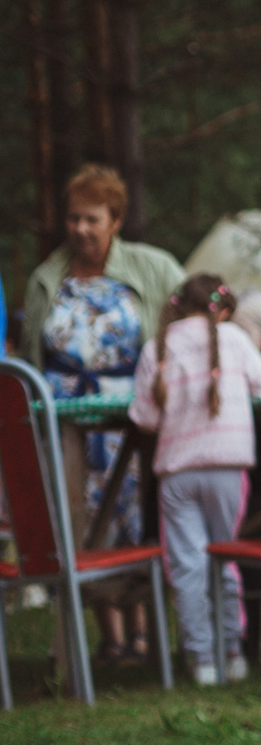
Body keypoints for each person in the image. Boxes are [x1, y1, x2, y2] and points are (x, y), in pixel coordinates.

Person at [22, 164, 186, 669]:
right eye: (73, 219)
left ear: (115, 220)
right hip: (66, 420)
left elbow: (192, 326)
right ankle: (107, 637)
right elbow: (32, 356)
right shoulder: (48, 278)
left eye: (92, 219)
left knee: (133, 520)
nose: (81, 230)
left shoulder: (153, 268)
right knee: (80, 522)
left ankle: (143, 635)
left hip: (131, 422)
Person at [128, 276, 261, 685]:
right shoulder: (233, 340)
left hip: (178, 472)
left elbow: (144, 418)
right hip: (228, 468)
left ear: (178, 307)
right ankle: (234, 651)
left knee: (187, 566)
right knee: (224, 558)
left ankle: (202, 661)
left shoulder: (156, 348)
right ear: (224, 311)